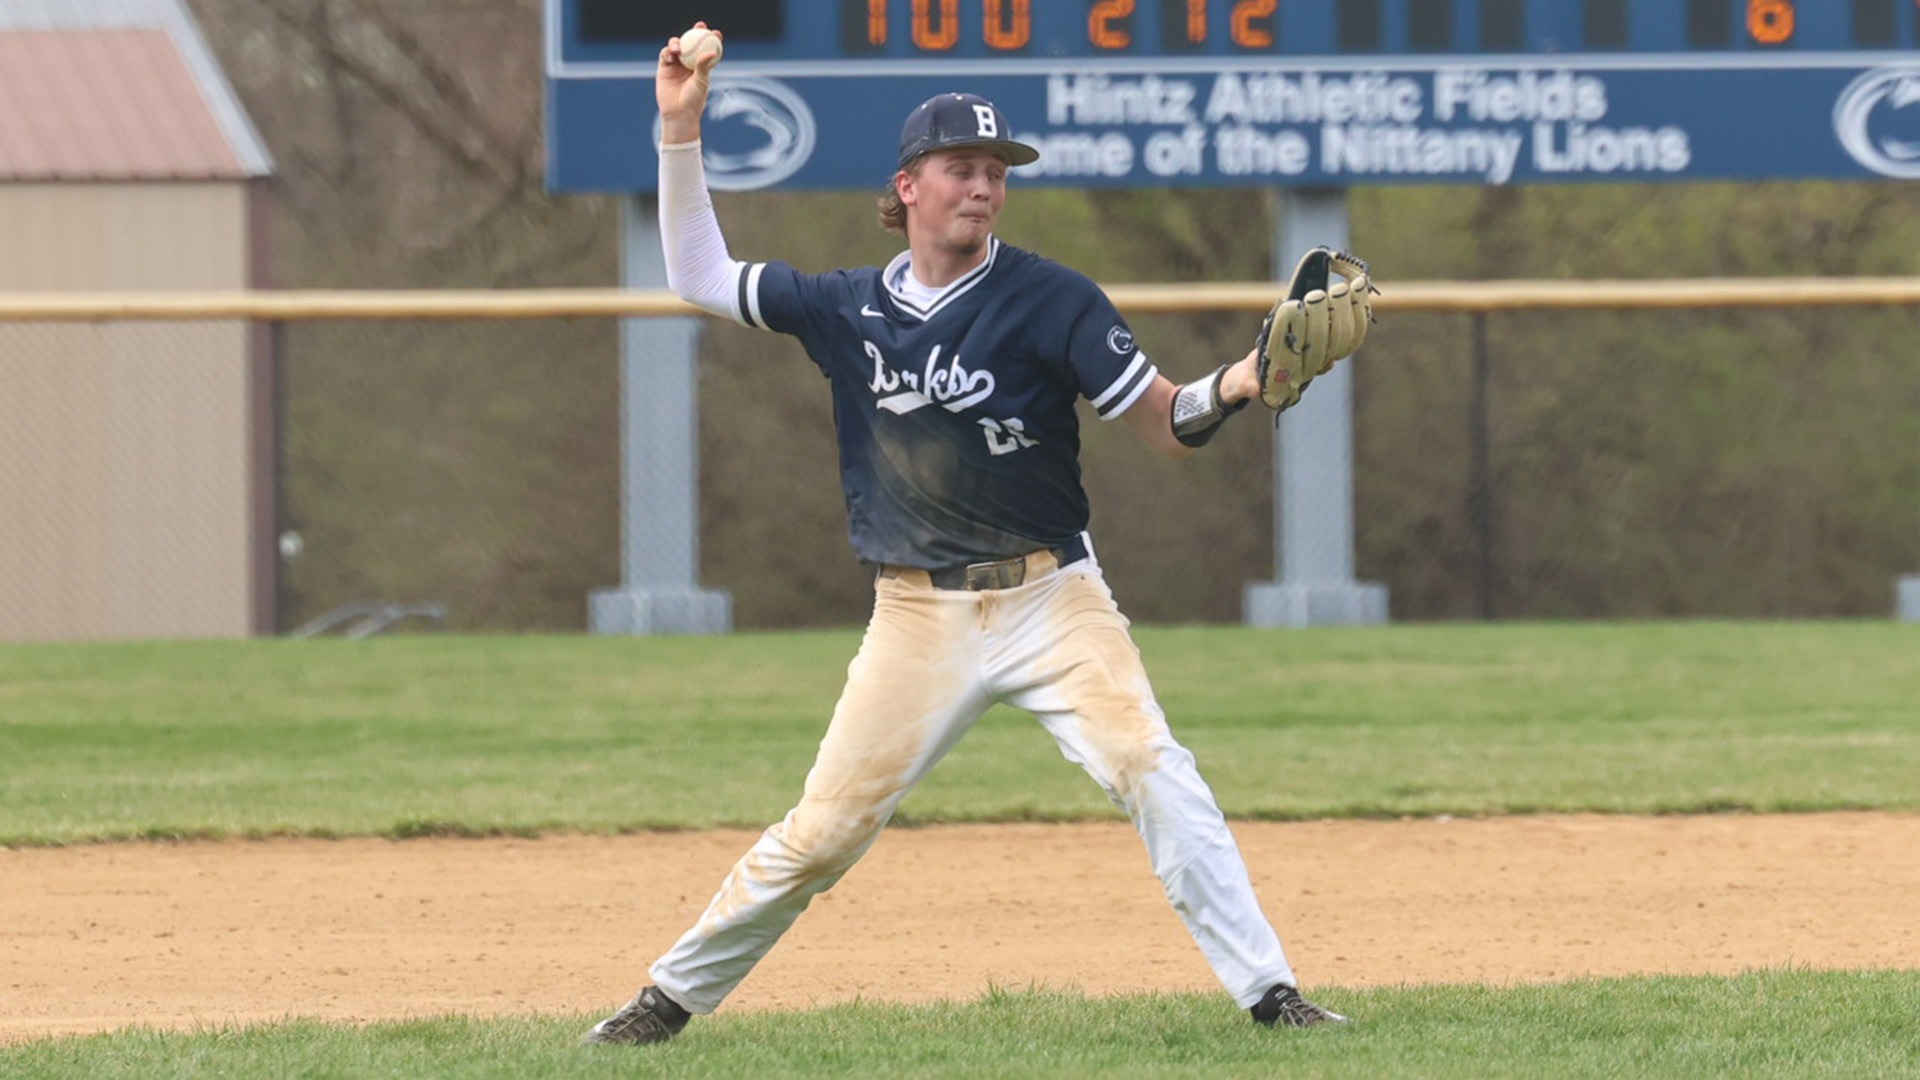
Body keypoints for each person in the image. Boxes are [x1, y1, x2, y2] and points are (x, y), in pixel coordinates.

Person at [586, 23, 1349, 1045]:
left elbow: (1166, 421)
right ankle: (663, 1005)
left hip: (1052, 597)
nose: (984, 186)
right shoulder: (845, 308)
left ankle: (1273, 995)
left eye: (997, 171)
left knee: (1152, 766)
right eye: (961, 168)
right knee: (823, 834)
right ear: (908, 186)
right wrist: (680, 130)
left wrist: (1245, 381)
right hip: (916, 613)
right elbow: (696, 273)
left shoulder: (1053, 299)